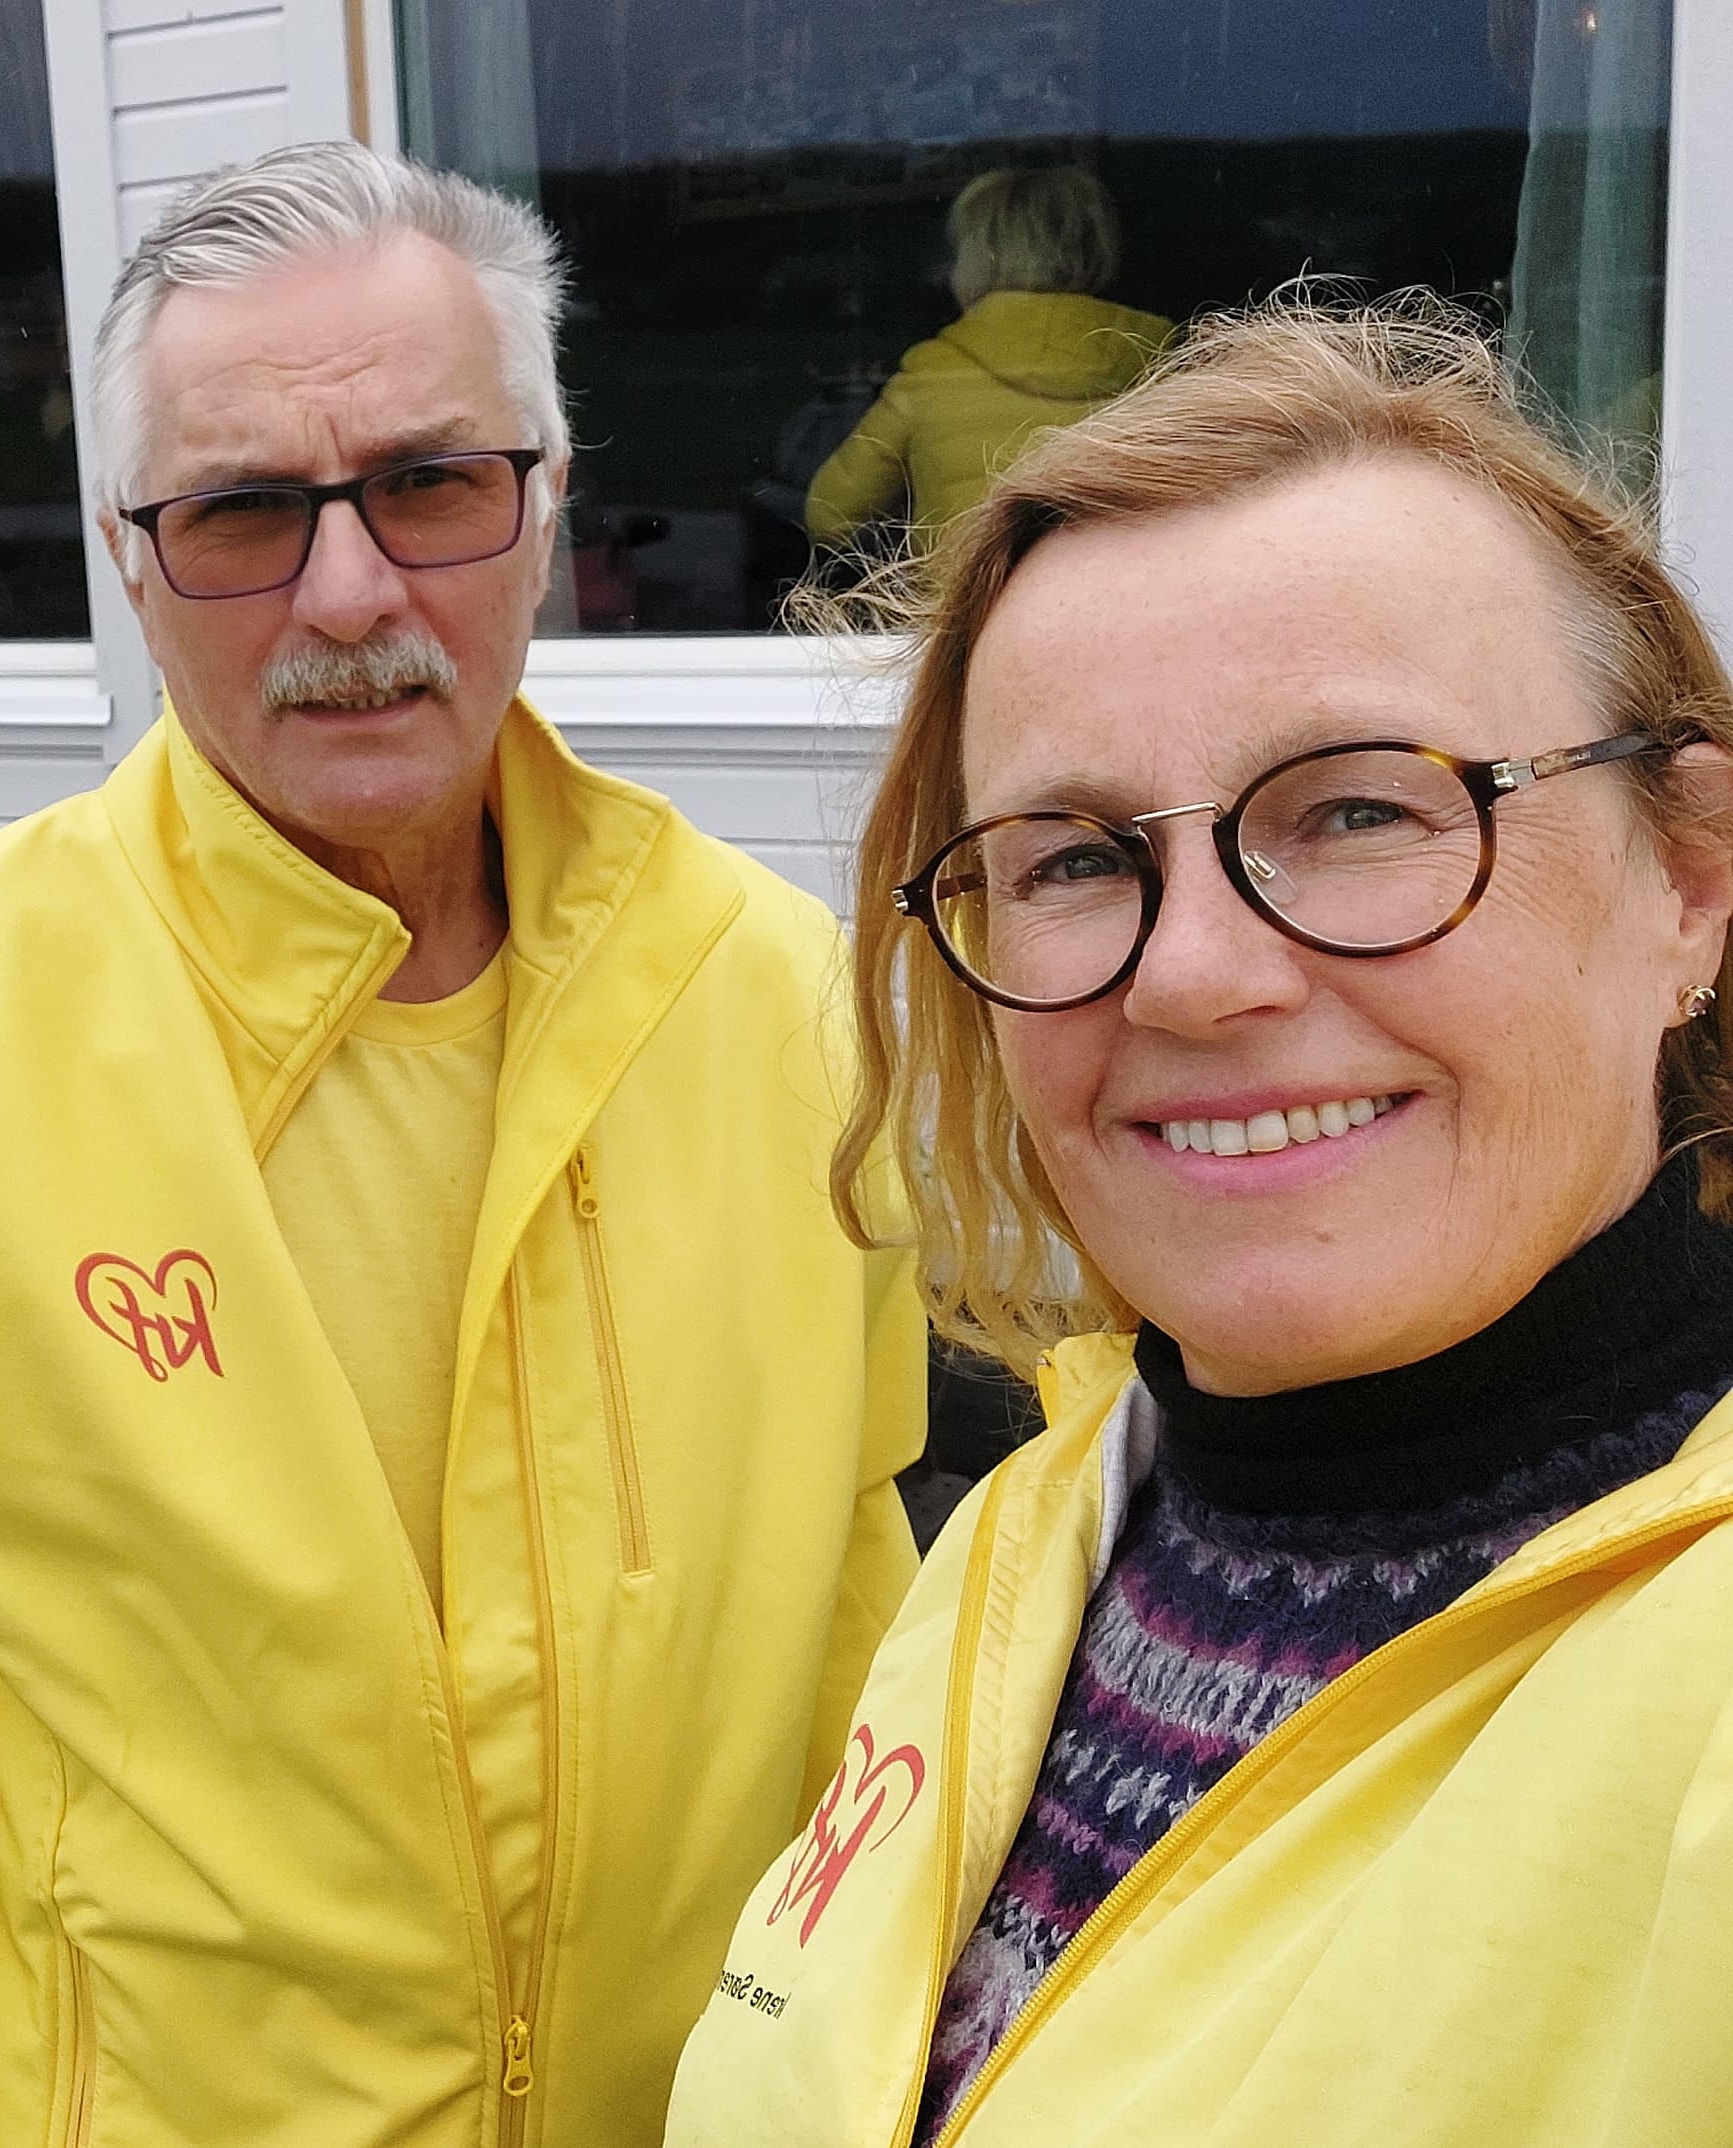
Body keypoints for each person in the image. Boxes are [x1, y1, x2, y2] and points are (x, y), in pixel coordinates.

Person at [0, 140, 927, 2147]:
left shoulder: (777, 1005)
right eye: (240, 510)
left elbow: (850, 1616)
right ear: (127, 561)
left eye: (429, 483)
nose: (348, 592)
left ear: (545, 502)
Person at [667, 298, 1733, 2147]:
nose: (1195, 974)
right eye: (1078, 857)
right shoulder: (1044, 1529)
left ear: (1690, 881)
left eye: (1360, 811)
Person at [803, 167, 1169, 550]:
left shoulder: (933, 375)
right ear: (1096, 249)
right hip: (1124, 589)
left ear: (977, 259)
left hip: (972, 590)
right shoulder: (1161, 365)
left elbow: (829, 515)